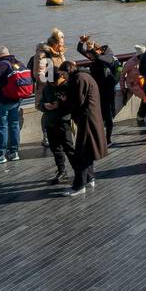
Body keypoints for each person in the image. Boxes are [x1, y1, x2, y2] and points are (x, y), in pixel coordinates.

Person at [63, 61, 108, 196]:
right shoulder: (86, 76)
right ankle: (89, 177)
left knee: (82, 153)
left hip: (87, 119)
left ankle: (79, 185)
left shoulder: (78, 79)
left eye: (63, 74)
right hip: (92, 118)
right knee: (89, 150)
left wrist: (65, 99)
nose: (63, 77)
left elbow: (78, 101)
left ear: (67, 71)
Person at [37, 35, 72, 184]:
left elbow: (72, 103)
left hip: (63, 121)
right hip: (50, 121)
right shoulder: (47, 88)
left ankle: (81, 172)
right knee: (55, 148)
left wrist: (60, 105)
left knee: (69, 148)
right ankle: (61, 170)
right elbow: (40, 104)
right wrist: (45, 105)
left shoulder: (66, 87)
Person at [76, 35, 119, 146]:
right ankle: (98, 137)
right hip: (96, 91)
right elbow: (80, 50)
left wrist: (91, 50)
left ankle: (108, 139)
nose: (90, 55)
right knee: (97, 115)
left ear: (100, 51)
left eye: (93, 52)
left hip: (107, 92)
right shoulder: (95, 57)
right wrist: (82, 42)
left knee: (108, 116)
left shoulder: (108, 58)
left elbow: (100, 58)